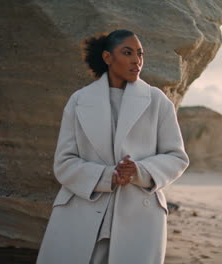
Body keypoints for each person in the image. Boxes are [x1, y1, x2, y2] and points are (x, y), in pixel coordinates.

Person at [35, 29, 189, 264]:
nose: (137, 60)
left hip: (139, 211)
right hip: (83, 209)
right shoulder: (79, 100)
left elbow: (176, 157)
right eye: (127, 53)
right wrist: (108, 176)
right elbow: (64, 163)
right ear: (108, 57)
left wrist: (139, 171)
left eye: (140, 54)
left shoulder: (158, 101)